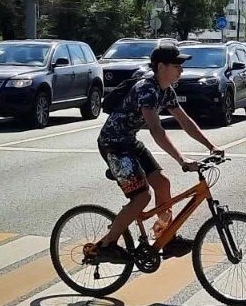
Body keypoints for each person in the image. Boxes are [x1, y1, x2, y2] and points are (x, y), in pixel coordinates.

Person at [85, 43, 225, 264]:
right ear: (161, 66)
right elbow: (156, 130)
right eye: (177, 65)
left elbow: (185, 121)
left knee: (162, 183)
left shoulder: (165, 90)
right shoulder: (146, 89)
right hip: (113, 144)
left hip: (129, 141)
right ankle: (106, 245)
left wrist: (211, 146)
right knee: (142, 196)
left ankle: (165, 237)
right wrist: (182, 159)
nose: (182, 69)